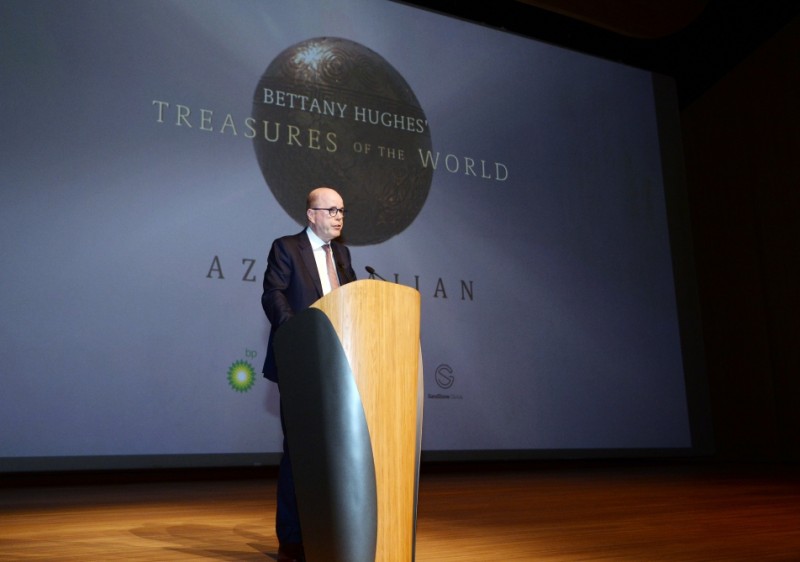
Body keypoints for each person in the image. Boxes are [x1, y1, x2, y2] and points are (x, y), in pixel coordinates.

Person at [260, 186, 357, 562]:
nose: (338, 216)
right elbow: (273, 294)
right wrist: (297, 332)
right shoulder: (286, 248)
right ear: (311, 214)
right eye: (331, 210)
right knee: (300, 453)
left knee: (336, 455)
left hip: (339, 365)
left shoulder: (343, 255)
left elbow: (352, 302)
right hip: (301, 362)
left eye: (342, 210)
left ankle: (332, 532)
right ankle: (292, 539)